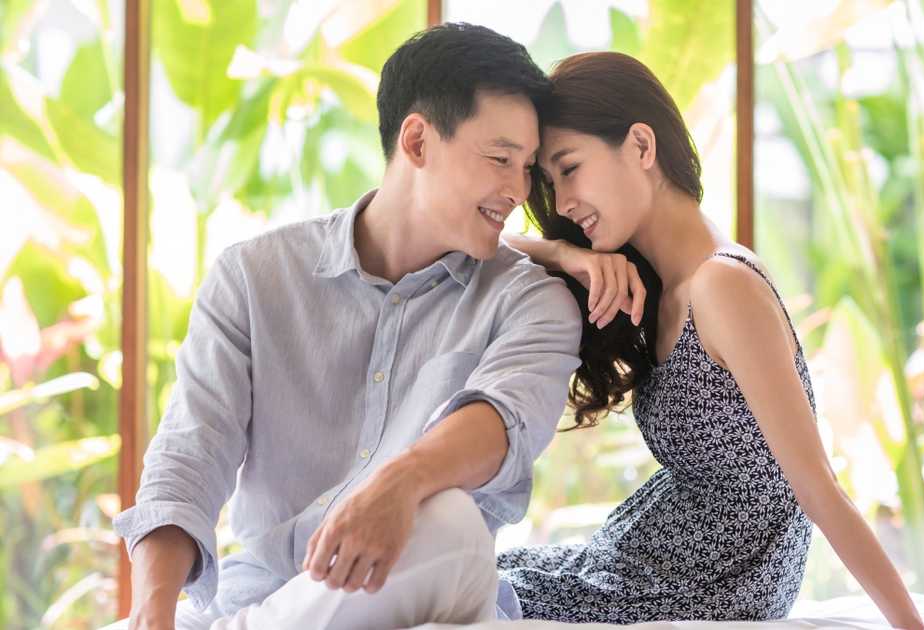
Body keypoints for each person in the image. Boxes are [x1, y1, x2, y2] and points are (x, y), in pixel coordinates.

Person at [106, 23, 582, 630]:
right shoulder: (253, 278)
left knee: (451, 523)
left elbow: (504, 423)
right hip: (266, 592)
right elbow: (189, 456)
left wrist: (400, 484)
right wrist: (151, 615)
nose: (518, 190)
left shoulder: (531, 302)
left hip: (421, 580)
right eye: (500, 159)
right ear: (416, 141)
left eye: (528, 168)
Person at [501, 51, 924, 629]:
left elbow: (816, 486)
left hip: (714, 583)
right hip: (655, 562)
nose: (565, 202)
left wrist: (912, 627)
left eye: (569, 168)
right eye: (551, 183)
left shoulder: (721, 284)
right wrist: (561, 253)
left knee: (469, 587)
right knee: (467, 574)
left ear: (642, 147)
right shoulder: (662, 284)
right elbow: (475, 248)